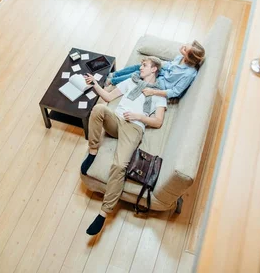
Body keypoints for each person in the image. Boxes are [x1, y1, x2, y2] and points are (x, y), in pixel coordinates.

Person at [81, 57, 167, 236]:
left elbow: (158, 121)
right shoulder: (132, 81)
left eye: (144, 65)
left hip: (134, 127)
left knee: (120, 165)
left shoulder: (159, 93)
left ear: (154, 69)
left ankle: (104, 213)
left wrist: (139, 116)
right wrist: (95, 84)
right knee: (98, 109)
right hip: (116, 120)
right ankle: (93, 151)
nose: (140, 67)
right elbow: (108, 97)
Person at [107, 40, 206, 99]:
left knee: (138, 73)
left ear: (189, 57)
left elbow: (175, 92)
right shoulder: (180, 58)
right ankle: (114, 74)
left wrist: (153, 92)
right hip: (161, 73)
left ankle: (111, 81)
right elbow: (168, 65)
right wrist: (151, 62)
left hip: (160, 84)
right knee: (141, 65)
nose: (182, 47)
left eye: (185, 49)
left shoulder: (188, 73)